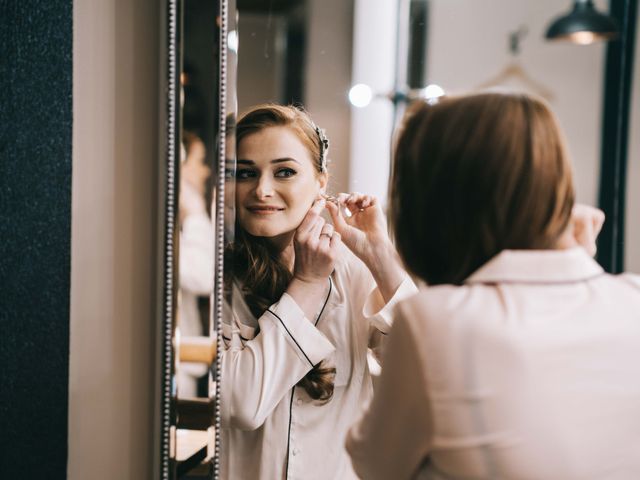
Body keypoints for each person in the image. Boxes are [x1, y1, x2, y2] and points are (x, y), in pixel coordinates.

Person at [345, 91, 640, 479]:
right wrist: (575, 252)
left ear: (434, 204)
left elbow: (374, 464)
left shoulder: (437, 321)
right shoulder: (631, 299)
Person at [220, 104, 416, 479]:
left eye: (285, 172)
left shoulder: (353, 269)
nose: (262, 190)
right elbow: (242, 404)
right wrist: (307, 285)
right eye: (246, 172)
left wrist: (382, 259)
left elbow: (426, 374)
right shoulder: (216, 280)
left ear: (321, 183)